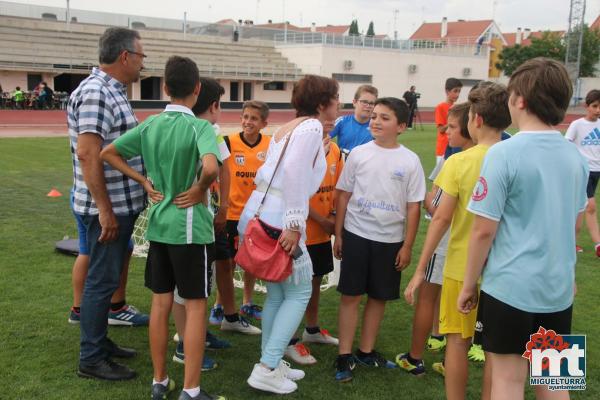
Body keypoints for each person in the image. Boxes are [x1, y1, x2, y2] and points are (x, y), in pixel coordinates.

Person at [458, 58, 588, 400]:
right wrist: (568, 272)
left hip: (510, 288)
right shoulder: (576, 157)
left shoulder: (504, 153)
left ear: (520, 100)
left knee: (508, 381)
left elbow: (482, 231)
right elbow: (573, 226)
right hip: (557, 287)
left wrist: (468, 285)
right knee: (557, 381)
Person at [101, 56, 224, 400]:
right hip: (189, 230)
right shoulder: (200, 127)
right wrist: (199, 189)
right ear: (197, 89)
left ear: (165, 88)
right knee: (196, 305)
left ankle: (159, 381)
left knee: (160, 304)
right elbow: (212, 168)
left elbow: (107, 152)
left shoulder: (151, 124)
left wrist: (144, 181)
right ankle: (191, 389)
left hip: (157, 227)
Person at [405, 82, 512, 400]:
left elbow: (443, 218)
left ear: (475, 118)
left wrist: (418, 269)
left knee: (462, 342)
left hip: (471, 268)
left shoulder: (464, 161)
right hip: (537, 278)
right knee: (519, 355)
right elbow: (579, 215)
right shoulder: (549, 158)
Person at [240, 74, 335, 394]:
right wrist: (295, 226)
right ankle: (267, 366)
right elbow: (294, 174)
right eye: (335, 99)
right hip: (281, 222)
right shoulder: (310, 127)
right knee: (298, 293)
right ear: (323, 103)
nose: (339, 104)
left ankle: (272, 360)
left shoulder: (293, 127)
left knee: (280, 294)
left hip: (264, 214)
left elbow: (287, 169)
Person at [69, 27, 146, 381]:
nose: (143, 63)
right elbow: (88, 153)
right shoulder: (98, 92)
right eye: (141, 56)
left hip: (116, 205)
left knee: (106, 277)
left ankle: (100, 342)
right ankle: (91, 358)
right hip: (108, 208)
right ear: (125, 56)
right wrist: (105, 209)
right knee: (102, 282)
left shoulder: (110, 91)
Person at [334, 97, 426, 383]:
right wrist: (338, 233)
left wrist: (407, 245)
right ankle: (344, 355)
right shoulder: (359, 154)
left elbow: (414, 206)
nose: (376, 121)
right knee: (350, 295)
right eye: (374, 116)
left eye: (384, 118)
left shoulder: (410, 160)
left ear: (401, 126)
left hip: (390, 241)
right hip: (357, 234)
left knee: (378, 297)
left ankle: (366, 350)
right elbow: (344, 195)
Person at [396, 102, 473, 377]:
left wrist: (421, 193)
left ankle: (415, 357)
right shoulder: (504, 155)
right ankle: (457, 361)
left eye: (452, 126)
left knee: (428, 296)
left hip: (450, 242)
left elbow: (439, 211)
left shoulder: (459, 161)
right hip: (552, 283)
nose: (445, 131)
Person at [170, 77, 232, 371]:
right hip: (192, 222)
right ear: (213, 105)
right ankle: (185, 344)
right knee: (189, 291)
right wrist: (215, 205)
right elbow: (217, 169)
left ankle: (197, 335)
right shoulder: (206, 130)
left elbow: (225, 167)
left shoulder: (180, 127)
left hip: (176, 219)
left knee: (182, 289)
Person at [284, 118, 344, 365]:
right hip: (299, 231)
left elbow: (338, 189)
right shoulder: (300, 147)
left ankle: (312, 329)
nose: (330, 121)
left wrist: (332, 219)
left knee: (315, 281)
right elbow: (294, 190)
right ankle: (288, 340)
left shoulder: (337, 151)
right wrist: (321, 219)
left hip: (321, 233)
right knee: (293, 288)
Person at [207, 101, 269, 335]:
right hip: (232, 213)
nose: (248, 122)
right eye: (245, 117)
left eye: (254, 118)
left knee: (252, 260)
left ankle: (247, 302)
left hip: (256, 214)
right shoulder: (228, 142)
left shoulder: (270, 145)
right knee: (228, 262)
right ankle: (219, 306)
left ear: (264, 123)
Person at [68, 189, 149, 327]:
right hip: (102, 203)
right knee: (118, 249)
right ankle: (116, 308)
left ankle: (79, 310)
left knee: (87, 251)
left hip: (83, 198)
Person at [565, 89, 600, 256]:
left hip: (597, 171)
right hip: (583, 170)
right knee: (590, 206)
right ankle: (598, 244)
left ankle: (572, 242)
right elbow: (567, 144)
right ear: (587, 106)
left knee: (580, 207)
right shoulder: (577, 125)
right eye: (595, 106)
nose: (598, 110)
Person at [329, 84, 378, 157]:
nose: (368, 106)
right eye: (364, 102)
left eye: (371, 103)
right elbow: (322, 138)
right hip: (344, 167)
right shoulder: (342, 121)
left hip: (366, 167)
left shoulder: (376, 125)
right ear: (354, 102)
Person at [432, 78, 462, 176]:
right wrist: (454, 122)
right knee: (441, 179)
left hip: (455, 147)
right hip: (443, 149)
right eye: (455, 91)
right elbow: (441, 129)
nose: (457, 94)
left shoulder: (456, 108)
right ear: (447, 91)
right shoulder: (441, 107)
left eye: (459, 91)